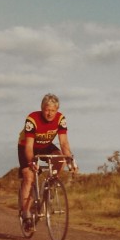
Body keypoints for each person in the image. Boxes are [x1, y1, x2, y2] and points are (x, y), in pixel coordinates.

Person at [18, 93, 77, 230]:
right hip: (27, 146)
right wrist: (31, 162)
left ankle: (50, 185)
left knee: (60, 159)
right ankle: (26, 213)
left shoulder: (60, 119)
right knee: (29, 176)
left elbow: (64, 143)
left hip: (45, 145)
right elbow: (28, 146)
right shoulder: (32, 119)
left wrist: (70, 160)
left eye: (53, 110)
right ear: (42, 108)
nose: (49, 113)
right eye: (47, 109)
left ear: (57, 110)